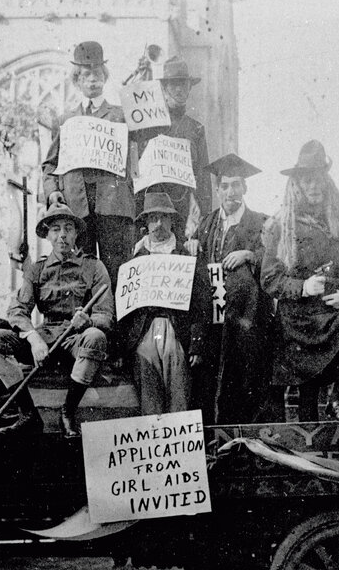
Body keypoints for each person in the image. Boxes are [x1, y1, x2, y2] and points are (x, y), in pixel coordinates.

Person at [261, 140, 339, 422]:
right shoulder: (282, 225)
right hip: (297, 322)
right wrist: (303, 287)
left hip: (330, 315)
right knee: (307, 397)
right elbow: (269, 278)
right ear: (297, 184)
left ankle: (335, 397)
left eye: (318, 179)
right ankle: (311, 440)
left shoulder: (335, 223)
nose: (313, 186)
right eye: (307, 180)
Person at [0, 204, 113, 438]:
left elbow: (105, 315)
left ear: (76, 233)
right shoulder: (36, 269)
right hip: (44, 339)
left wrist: (87, 322)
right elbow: (17, 310)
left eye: (68, 228)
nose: (62, 235)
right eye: (55, 229)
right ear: (47, 235)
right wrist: (34, 339)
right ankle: (28, 414)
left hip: (76, 339)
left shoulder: (94, 267)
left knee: (96, 337)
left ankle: (68, 411)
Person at [191, 154, 277, 424]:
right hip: (213, 320)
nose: (231, 192)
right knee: (210, 387)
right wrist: (191, 245)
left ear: (245, 188)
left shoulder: (261, 223)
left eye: (236, 185)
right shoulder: (206, 224)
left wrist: (250, 255)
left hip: (247, 322)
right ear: (217, 190)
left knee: (244, 385)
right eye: (225, 186)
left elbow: (277, 262)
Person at [42, 41, 135, 284]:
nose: (92, 79)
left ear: (104, 77)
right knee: (82, 272)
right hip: (78, 208)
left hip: (113, 206)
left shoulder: (120, 116)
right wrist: (52, 193)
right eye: (86, 75)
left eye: (97, 74)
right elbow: (50, 165)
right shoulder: (66, 120)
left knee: (117, 270)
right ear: (77, 80)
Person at [121, 192, 211, 416]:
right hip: (145, 330)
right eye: (153, 218)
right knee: (148, 392)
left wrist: (197, 343)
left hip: (176, 328)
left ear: (172, 221)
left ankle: (179, 435)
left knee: (178, 391)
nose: (159, 224)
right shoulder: (135, 258)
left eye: (164, 217)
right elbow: (125, 304)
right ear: (146, 223)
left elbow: (202, 302)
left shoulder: (185, 255)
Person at [131, 56, 213, 238]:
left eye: (184, 84)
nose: (179, 89)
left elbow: (203, 178)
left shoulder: (196, 129)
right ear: (164, 88)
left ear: (189, 88)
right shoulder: (148, 122)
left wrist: (204, 217)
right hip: (149, 206)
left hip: (180, 206)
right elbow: (134, 161)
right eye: (174, 84)